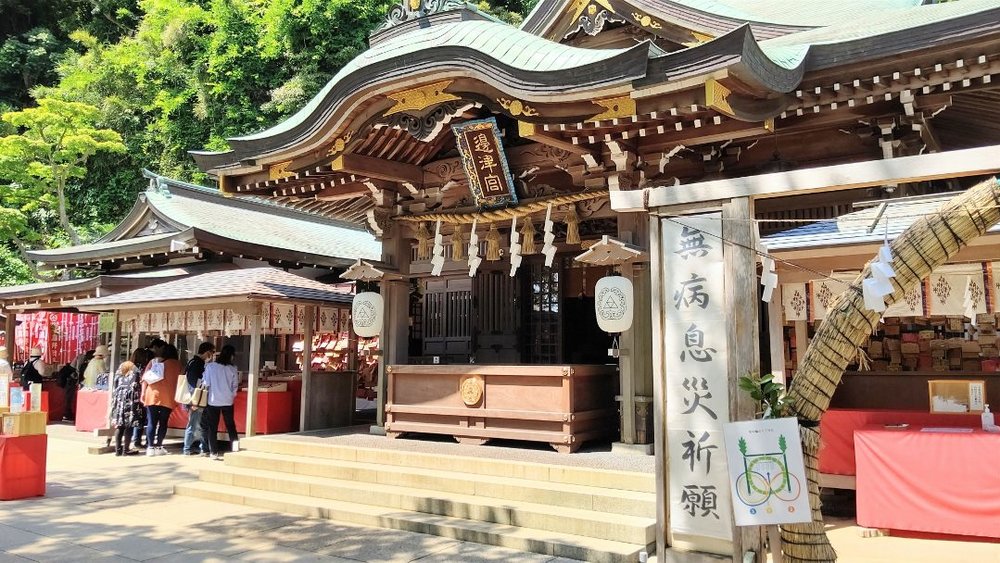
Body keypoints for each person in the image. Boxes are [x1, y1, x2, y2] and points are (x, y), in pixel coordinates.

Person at [141, 343, 180, 456]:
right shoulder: (177, 364)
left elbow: (145, 378)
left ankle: (150, 447)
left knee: (152, 422)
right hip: (168, 396)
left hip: (152, 393)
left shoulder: (154, 361)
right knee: (163, 422)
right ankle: (159, 445)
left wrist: (143, 392)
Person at [202, 345, 240, 460]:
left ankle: (213, 452)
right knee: (231, 426)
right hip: (228, 401)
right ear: (231, 356)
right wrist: (232, 395)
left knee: (212, 427)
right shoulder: (233, 368)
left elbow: (206, 383)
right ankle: (235, 448)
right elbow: (235, 385)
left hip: (213, 400)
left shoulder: (210, 367)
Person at [181, 342, 215, 456]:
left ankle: (194, 447)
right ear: (207, 352)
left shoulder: (192, 362)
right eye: (212, 352)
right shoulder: (197, 364)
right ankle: (188, 448)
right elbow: (192, 382)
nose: (213, 355)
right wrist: (193, 401)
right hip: (195, 398)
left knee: (196, 424)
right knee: (195, 424)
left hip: (193, 398)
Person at [110, 361, 143, 456]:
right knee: (129, 426)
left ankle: (118, 449)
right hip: (130, 403)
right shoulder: (134, 375)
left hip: (119, 403)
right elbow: (137, 387)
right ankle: (126, 449)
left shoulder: (118, 376)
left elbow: (115, 387)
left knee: (119, 426)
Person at [128, 348, 152, 450]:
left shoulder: (129, 366)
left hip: (130, 395)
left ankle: (135, 440)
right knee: (143, 418)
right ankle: (142, 441)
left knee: (135, 417)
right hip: (141, 394)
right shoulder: (144, 367)